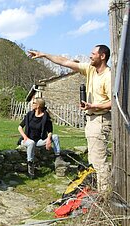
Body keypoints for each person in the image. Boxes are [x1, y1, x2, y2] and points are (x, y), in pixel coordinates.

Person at [28, 45, 111, 193]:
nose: (90, 56)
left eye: (93, 54)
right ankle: (95, 192)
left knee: (98, 161)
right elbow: (65, 62)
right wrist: (44, 54)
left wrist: (94, 105)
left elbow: (114, 102)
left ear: (102, 56)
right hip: (92, 119)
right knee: (92, 159)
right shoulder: (91, 69)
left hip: (101, 119)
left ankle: (104, 195)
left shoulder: (108, 76)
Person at [18, 97, 68, 178]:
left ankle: (58, 157)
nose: (32, 104)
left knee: (55, 137)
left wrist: (48, 140)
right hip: (27, 140)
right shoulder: (29, 115)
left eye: (34, 103)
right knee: (31, 143)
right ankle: (30, 164)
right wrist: (25, 137)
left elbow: (50, 131)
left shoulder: (45, 116)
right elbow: (20, 127)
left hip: (39, 141)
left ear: (38, 105)